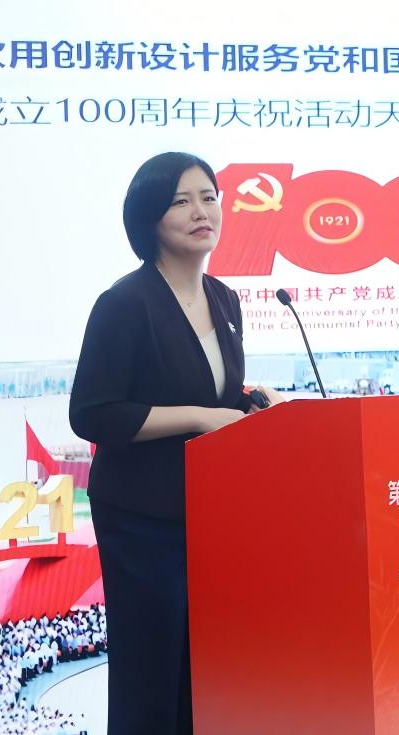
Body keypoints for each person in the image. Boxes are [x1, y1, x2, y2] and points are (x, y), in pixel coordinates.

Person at [69, 152, 280, 734]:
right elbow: (93, 413)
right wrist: (202, 418)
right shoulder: (124, 303)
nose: (200, 211)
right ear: (148, 218)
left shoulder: (225, 299)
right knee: (151, 672)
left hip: (210, 512)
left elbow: (203, 390)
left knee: (204, 668)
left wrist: (248, 400)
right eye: (180, 201)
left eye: (209, 197)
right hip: (142, 518)